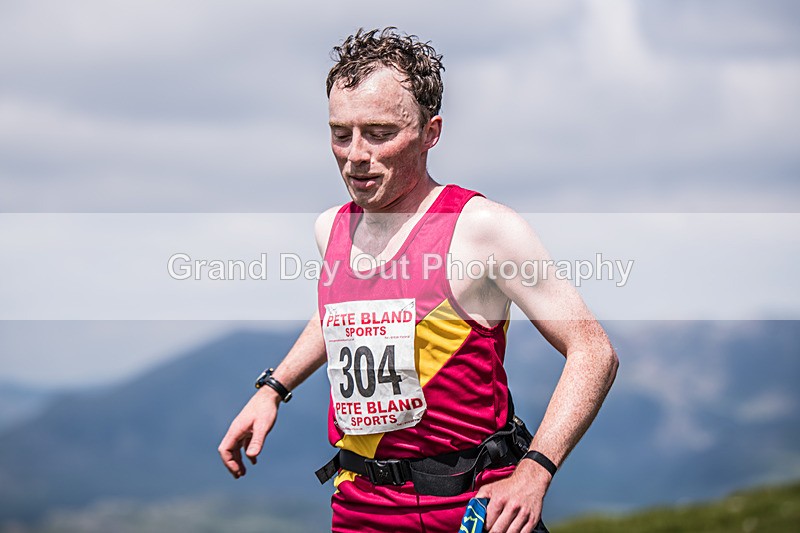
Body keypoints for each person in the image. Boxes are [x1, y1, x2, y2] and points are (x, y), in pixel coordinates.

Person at [218, 27, 618, 533]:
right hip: (357, 509)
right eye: (341, 133)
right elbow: (342, 316)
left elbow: (593, 351)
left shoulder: (482, 228)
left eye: (381, 134)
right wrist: (273, 388)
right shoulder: (331, 228)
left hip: (472, 511)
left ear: (431, 132)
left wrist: (536, 470)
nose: (356, 155)